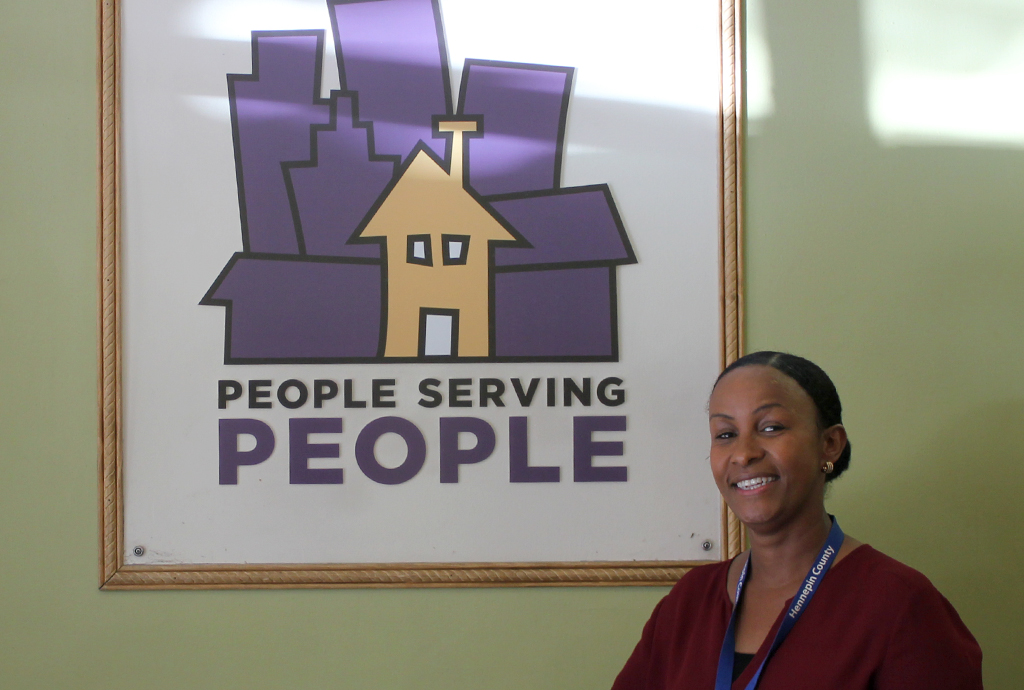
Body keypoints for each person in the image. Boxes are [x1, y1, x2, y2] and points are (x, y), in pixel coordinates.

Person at [612, 351, 982, 690]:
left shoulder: (900, 605)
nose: (743, 454)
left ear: (830, 444)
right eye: (725, 434)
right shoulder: (689, 602)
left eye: (771, 427)